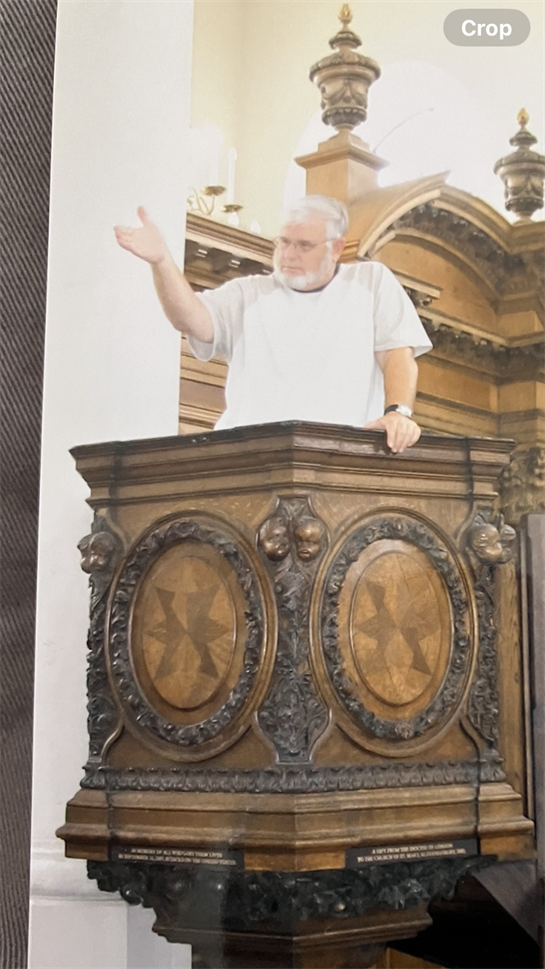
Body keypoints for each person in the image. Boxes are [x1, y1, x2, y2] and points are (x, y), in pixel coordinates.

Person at [114, 195, 432, 453]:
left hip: (339, 460)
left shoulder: (370, 282)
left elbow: (396, 357)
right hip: (250, 458)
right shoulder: (249, 293)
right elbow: (191, 319)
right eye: (284, 242)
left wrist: (398, 414)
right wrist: (162, 262)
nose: (289, 254)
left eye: (304, 245)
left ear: (336, 248)